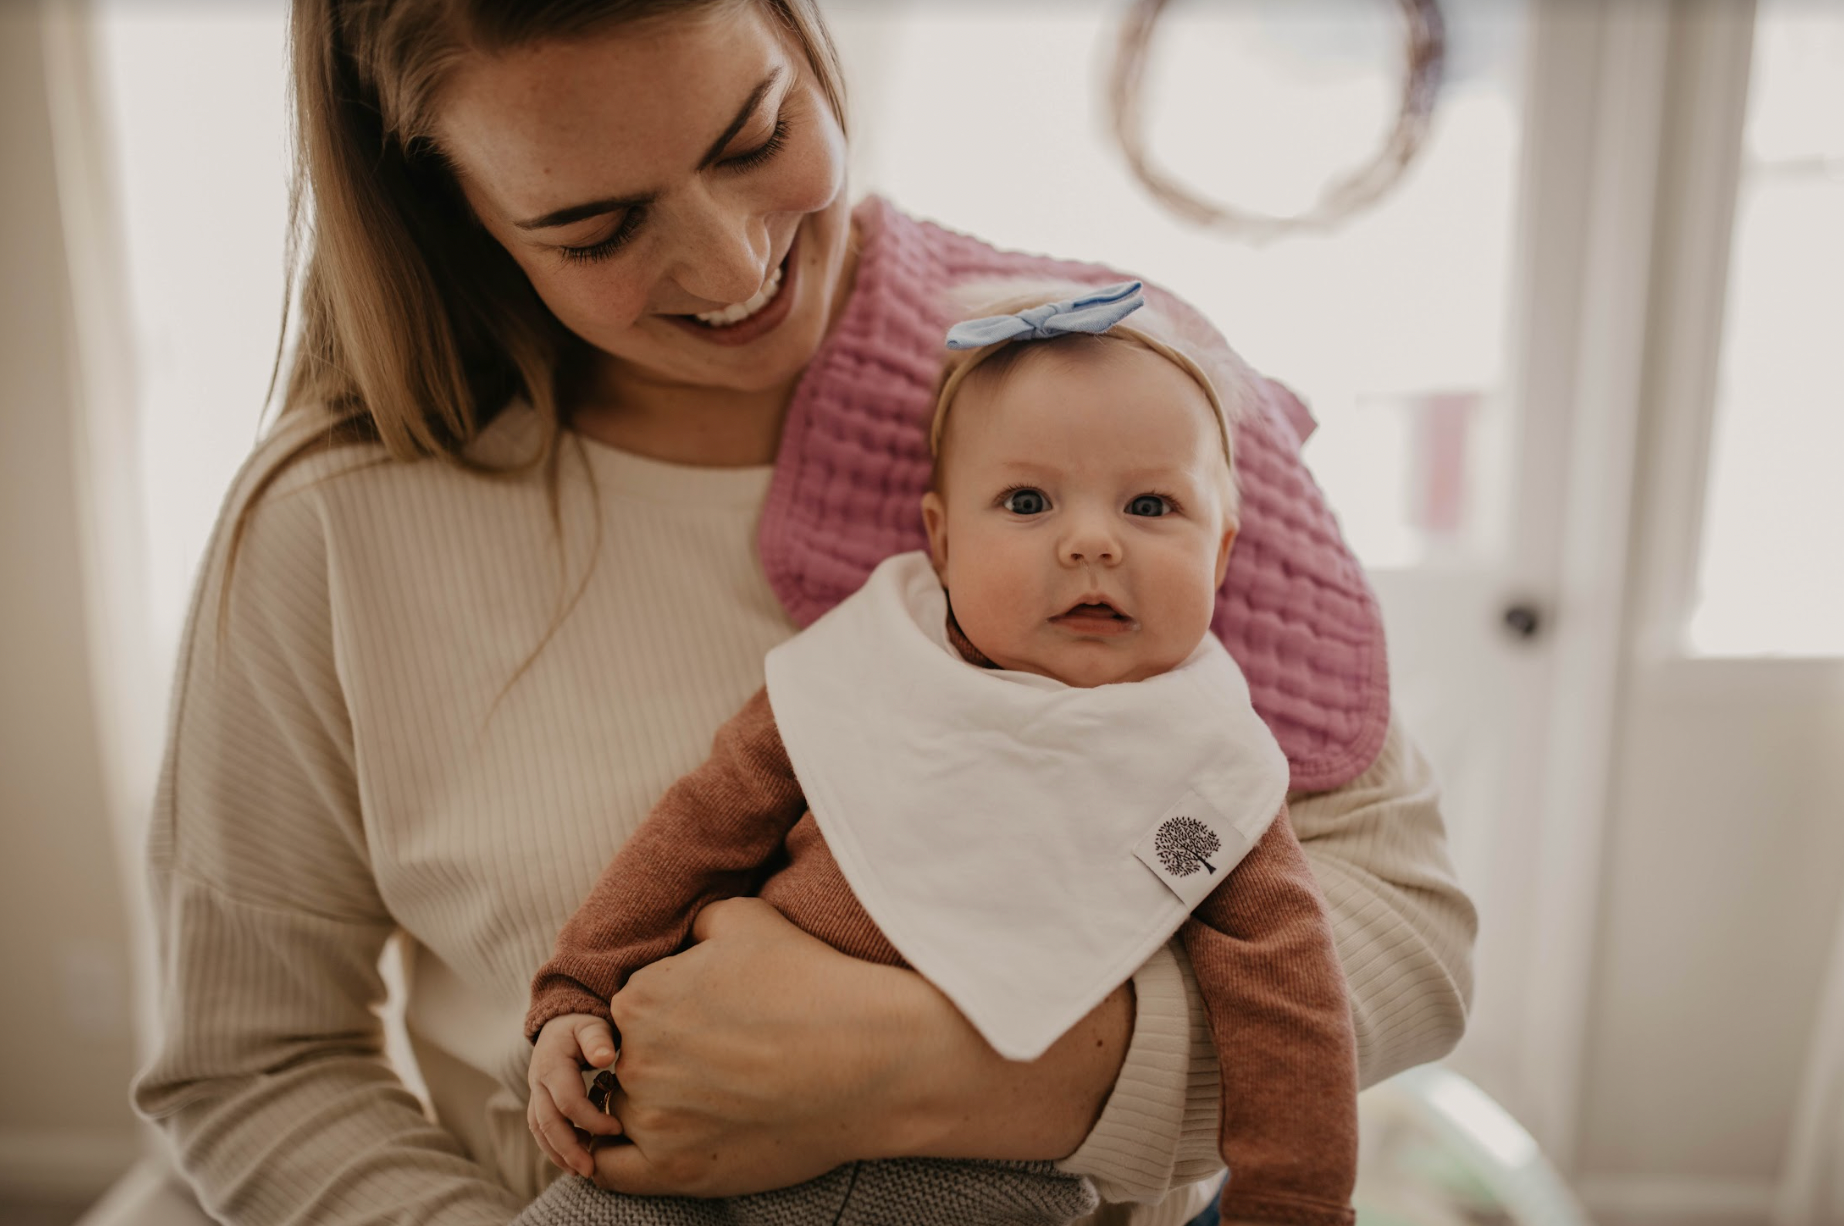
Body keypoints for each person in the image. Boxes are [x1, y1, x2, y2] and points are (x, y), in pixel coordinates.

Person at [130, 3, 1478, 1226]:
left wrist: (952, 1079)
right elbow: (254, 1063)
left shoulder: (1102, 412)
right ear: (454, 208)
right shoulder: (330, 527)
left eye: (757, 132)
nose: (734, 262)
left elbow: (1406, 937)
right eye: (595, 226)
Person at [518, 281, 1360, 1226]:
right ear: (942, 540)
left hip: (983, 1181)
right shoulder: (875, 665)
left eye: (1153, 505)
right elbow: (697, 830)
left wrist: (1293, 1201)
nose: (1091, 542)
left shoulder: (1200, 766)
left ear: (1223, 552)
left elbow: (1289, 1001)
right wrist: (577, 989)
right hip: (692, 1158)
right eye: (1029, 500)